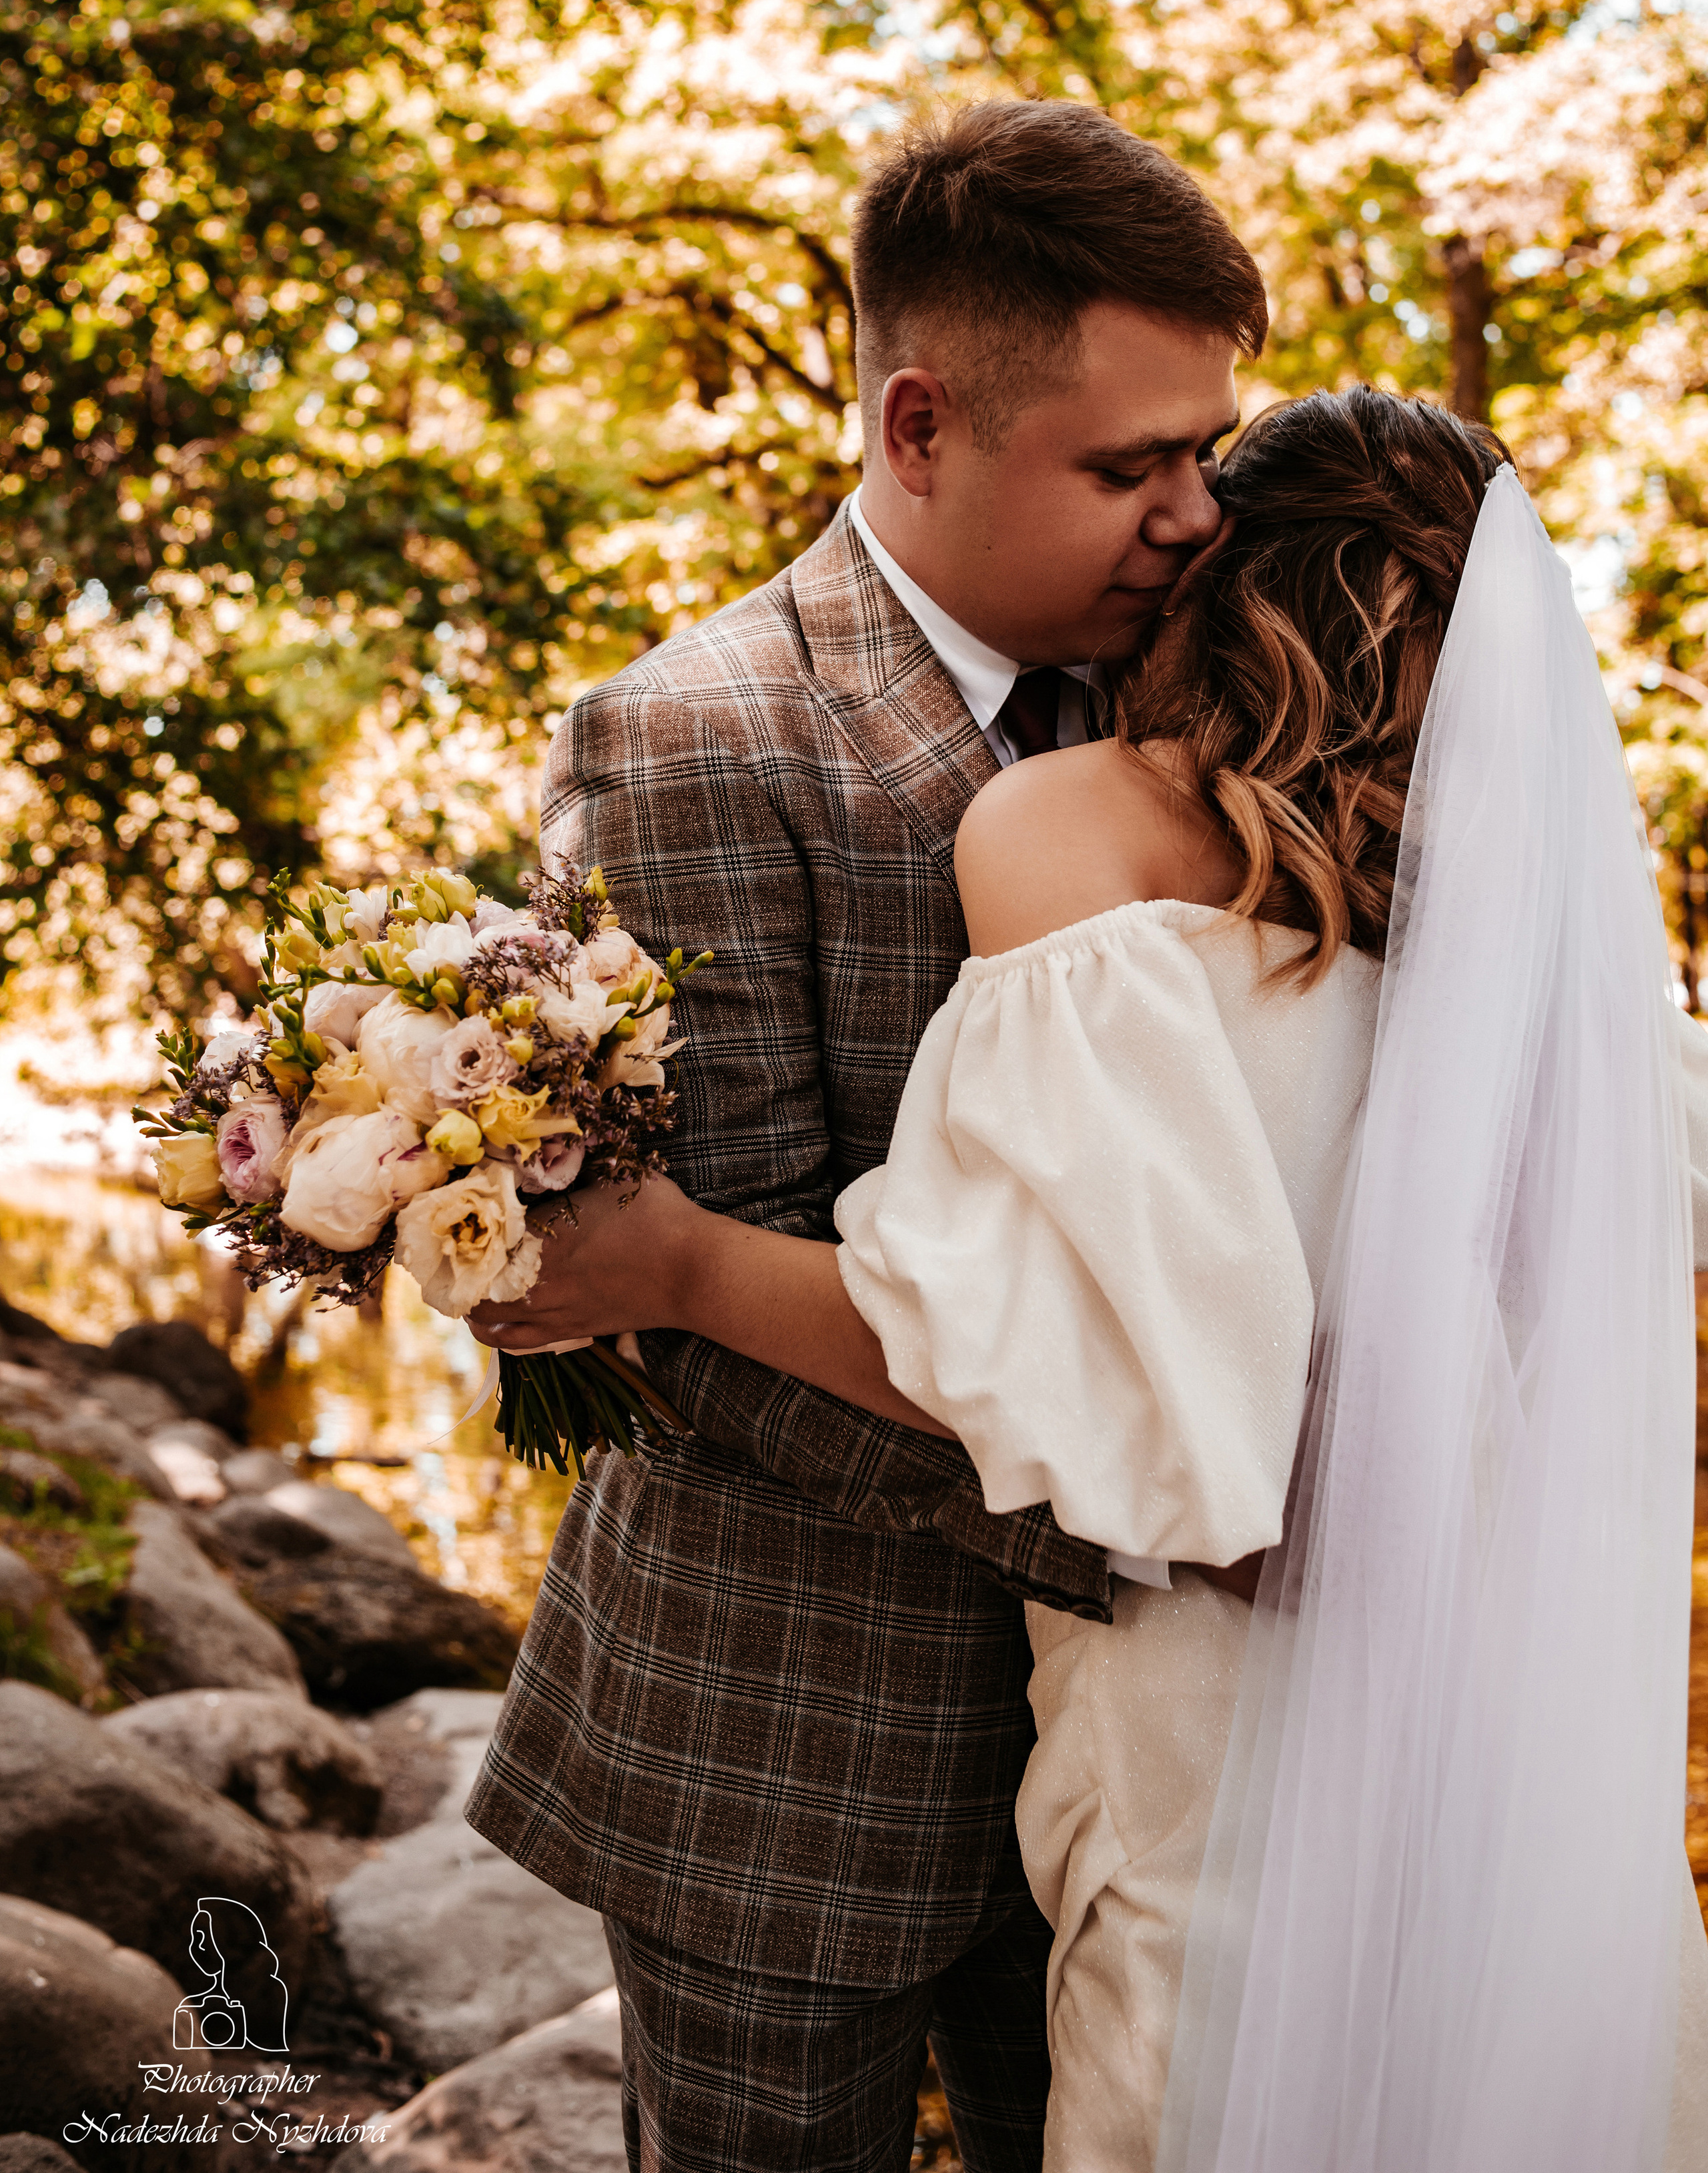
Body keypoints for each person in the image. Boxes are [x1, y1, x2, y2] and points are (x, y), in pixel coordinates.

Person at [474, 386, 1708, 2170]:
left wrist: (672, 1256)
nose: (1167, 505)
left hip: (1221, 1698)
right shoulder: (1546, 950)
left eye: (1193, 479)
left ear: (1226, 579)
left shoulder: (1079, 828)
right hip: (1500, 1700)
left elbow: (1036, 1343)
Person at [463, 97, 1269, 2173]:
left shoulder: (1198, 697)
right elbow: (672, 1313)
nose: (1195, 514)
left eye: (1209, 450)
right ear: (921, 424)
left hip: (1127, 1771)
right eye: (1130, 464)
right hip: (790, 1755)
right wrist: (1171, 1499)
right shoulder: (699, 735)